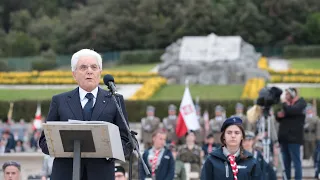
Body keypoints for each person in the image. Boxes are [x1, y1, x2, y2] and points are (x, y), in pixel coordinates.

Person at [38, 49, 133, 180]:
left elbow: (127, 141)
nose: (89, 71)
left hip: (101, 174)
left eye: (94, 67)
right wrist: (61, 147)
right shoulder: (60, 101)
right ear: (74, 74)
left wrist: (109, 150)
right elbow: (44, 141)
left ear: (100, 72)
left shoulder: (115, 100)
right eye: (83, 67)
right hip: (66, 174)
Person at [276, 87, 306, 180]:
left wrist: (285, 104)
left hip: (294, 138)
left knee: (296, 162)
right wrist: (279, 116)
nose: (285, 96)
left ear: (293, 94)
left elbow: (293, 110)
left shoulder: (301, 103)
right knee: (285, 163)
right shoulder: (287, 105)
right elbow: (282, 116)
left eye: (288, 94)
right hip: (284, 138)